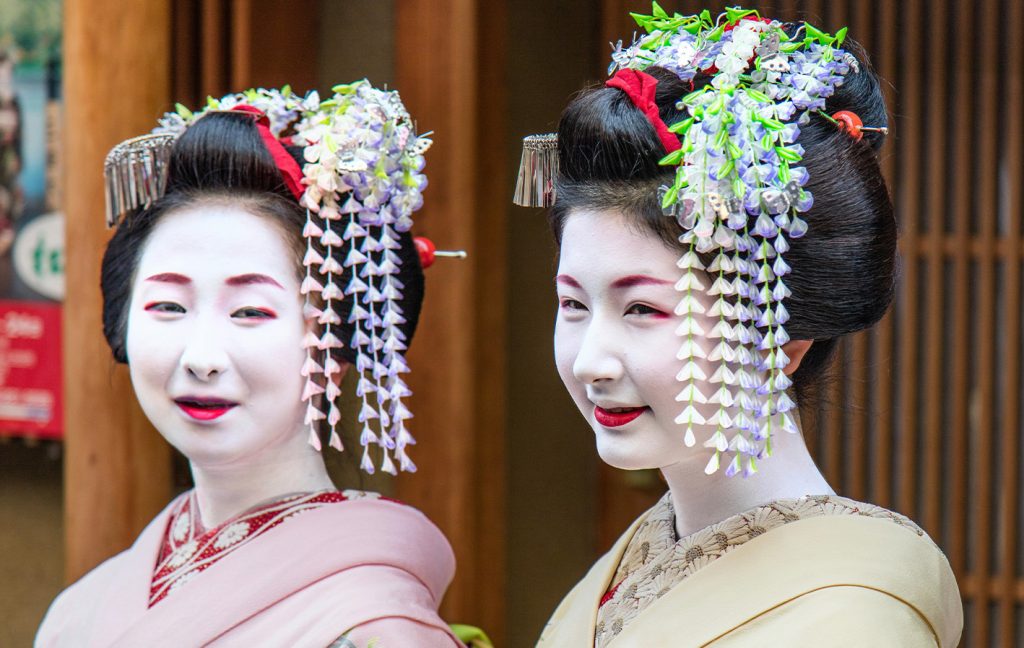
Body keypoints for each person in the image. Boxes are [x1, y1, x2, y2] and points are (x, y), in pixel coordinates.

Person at [514, 7, 963, 646]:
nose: (591, 361)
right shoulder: (641, 555)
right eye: (573, 305)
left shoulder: (853, 614)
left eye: (642, 309)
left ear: (780, 339)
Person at [36, 84, 462, 646]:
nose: (202, 358)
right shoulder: (80, 612)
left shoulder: (374, 625)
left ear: (335, 344)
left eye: (250, 311)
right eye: (168, 306)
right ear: (121, 322)